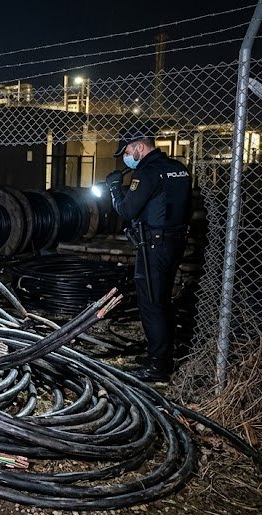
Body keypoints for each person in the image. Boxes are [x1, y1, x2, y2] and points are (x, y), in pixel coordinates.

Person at [105, 127, 192, 382]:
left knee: (151, 304)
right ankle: (161, 355)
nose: (127, 157)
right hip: (174, 243)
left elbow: (127, 210)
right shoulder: (179, 168)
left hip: (153, 246)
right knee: (163, 300)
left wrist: (114, 189)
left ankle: (157, 367)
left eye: (128, 151)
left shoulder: (147, 173)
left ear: (140, 147)